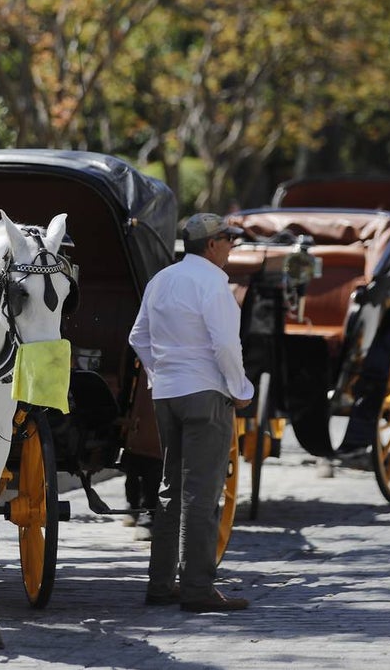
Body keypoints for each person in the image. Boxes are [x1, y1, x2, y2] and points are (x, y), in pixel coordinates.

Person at [128, 212, 255, 612]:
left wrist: (160, 373)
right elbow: (225, 345)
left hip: (167, 395)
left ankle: (161, 584)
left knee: (171, 490)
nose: (231, 246)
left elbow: (138, 337)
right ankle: (198, 589)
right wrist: (240, 389)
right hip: (205, 393)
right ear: (212, 244)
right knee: (202, 493)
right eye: (228, 239)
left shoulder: (162, 279)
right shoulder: (214, 283)